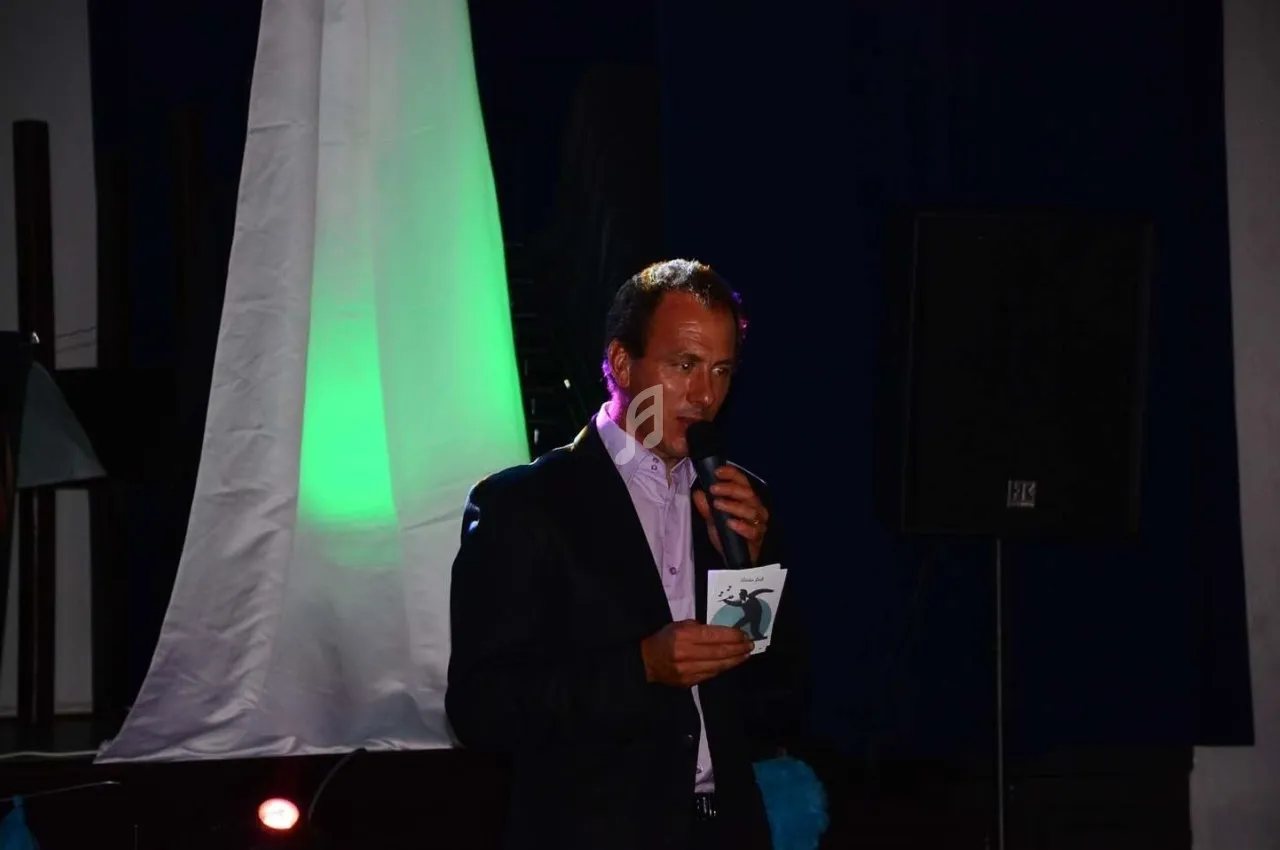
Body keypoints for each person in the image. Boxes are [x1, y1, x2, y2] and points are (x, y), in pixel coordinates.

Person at [446, 259, 807, 850]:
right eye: (684, 365)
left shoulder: (740, 500)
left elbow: (779, 702)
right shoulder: (526, 505)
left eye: (721, 370)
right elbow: (481, 711)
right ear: (620, 362)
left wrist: (752, 569)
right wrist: (640, 668)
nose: (705, 395)